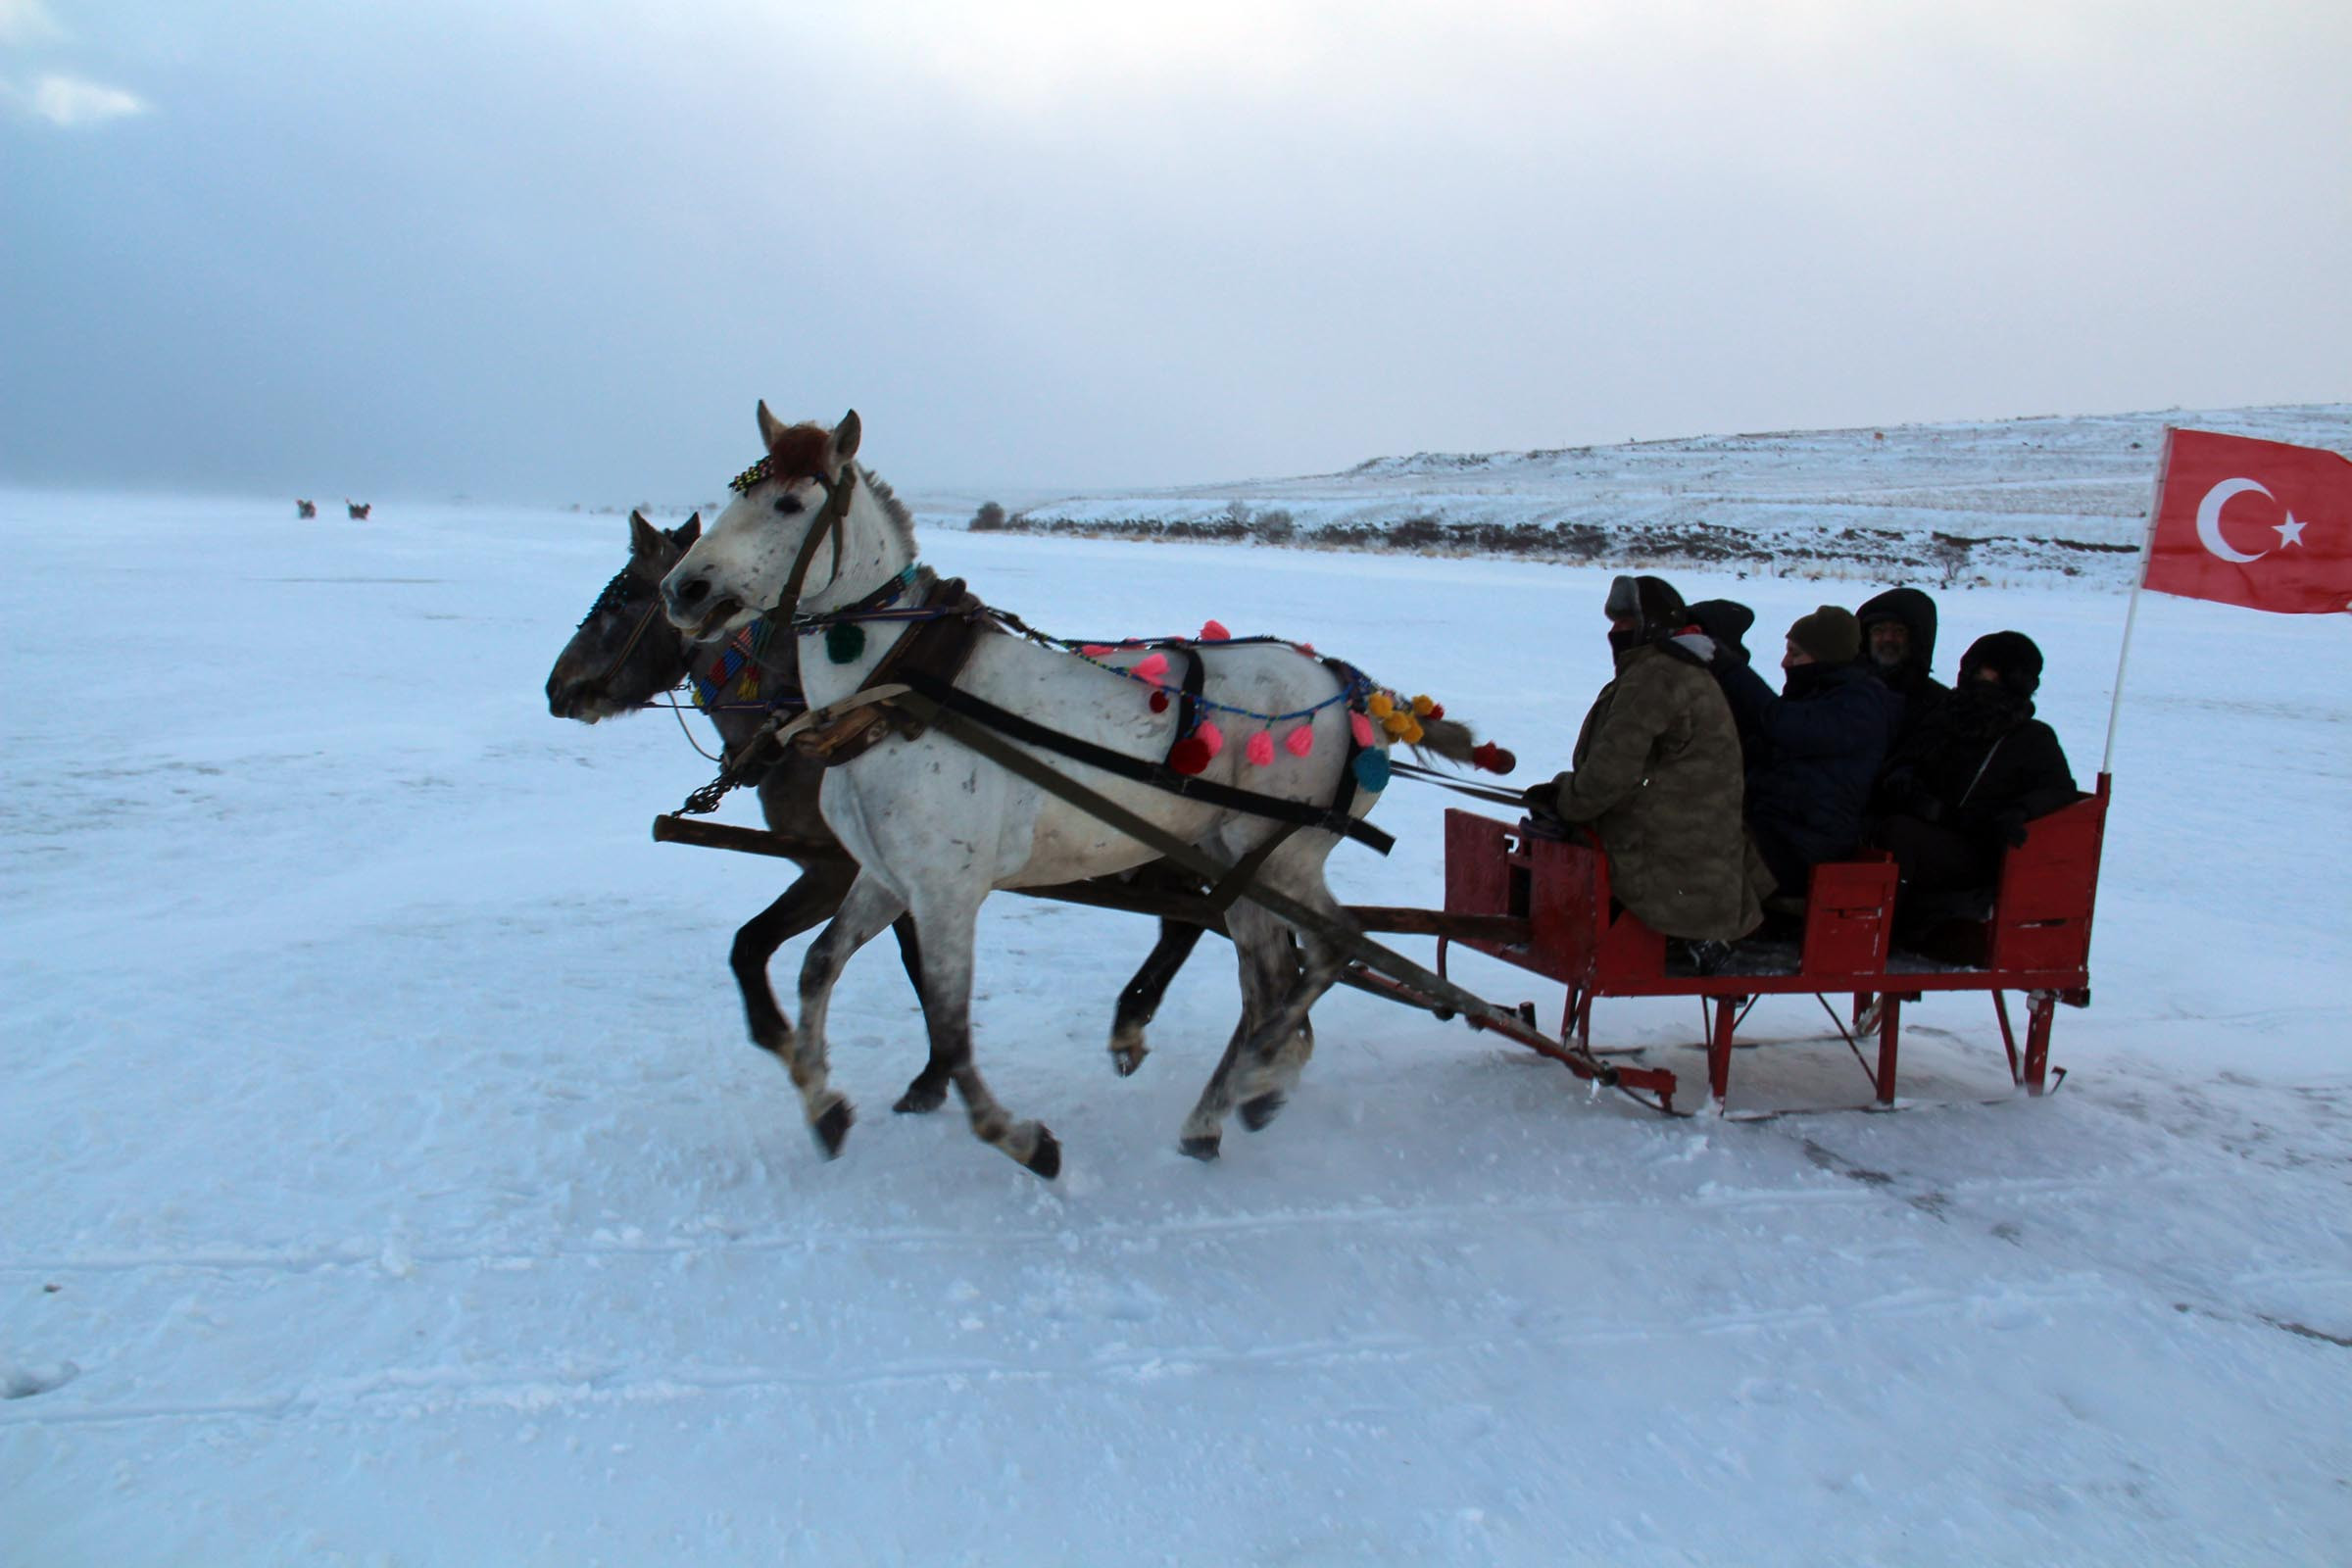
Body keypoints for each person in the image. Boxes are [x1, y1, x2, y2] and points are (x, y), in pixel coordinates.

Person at [1523, 575, 1765, 951]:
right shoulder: (1667, 669)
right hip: (1693, 846)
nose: (1616, 633)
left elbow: (1609, 775)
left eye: (1626, 623)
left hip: (1672, 855)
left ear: (1653, 626)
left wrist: (1563, 802)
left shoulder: (1655, 677)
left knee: (1551, 838)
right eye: (1615, 624)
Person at [1870, 630, 2079, 930]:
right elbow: (1908, 756)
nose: (1974, 677)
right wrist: (1902, 778)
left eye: (1986, 671)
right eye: (1973, 668)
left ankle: (1876, 933)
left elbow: (2059, 792)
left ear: (2013, 679)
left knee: (1899, 834)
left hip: (1979, 848)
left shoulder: (2032, 738)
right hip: (1928, 826)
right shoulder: (1945, 715)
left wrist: (2020, 812)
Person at [1712, 605, 1900, 904]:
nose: (1785, 663)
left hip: (1805, 846)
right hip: (1772, 828)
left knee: (1701, 854)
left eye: (1795, 653)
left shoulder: (1861, 704)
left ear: (1824, 658)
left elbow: (1785, 725)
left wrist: (1730, 668)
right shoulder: (1814, 695)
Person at [1856, 586, 1948, 756]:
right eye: (1879, 631)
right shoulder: (1845, 692)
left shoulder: (1940, 705)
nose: (1888, 638)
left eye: (1899, 631)